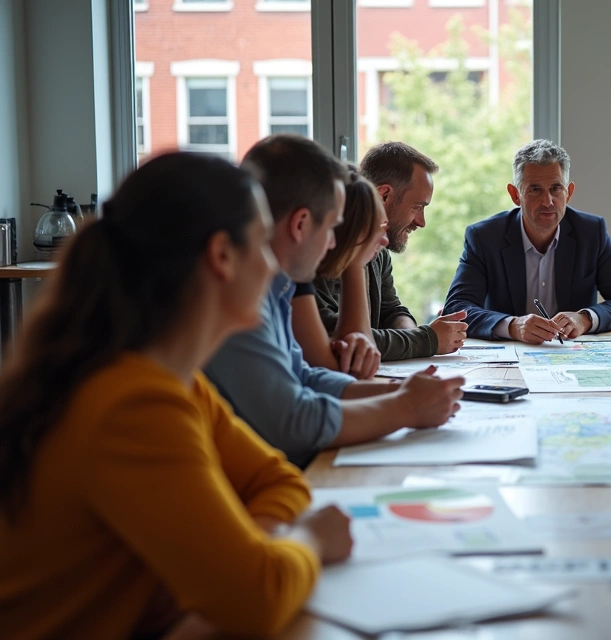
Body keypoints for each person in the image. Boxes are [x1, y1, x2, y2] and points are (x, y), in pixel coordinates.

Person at [0, 153, 353, 638]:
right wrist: (309, 538)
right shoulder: (134, 403)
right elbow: (257, 598)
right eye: (260, 243)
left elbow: (277, 478)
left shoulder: (175, 381)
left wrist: (248, 552)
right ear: (221, 257)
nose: (272, 264)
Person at [205, 134, 464, 469]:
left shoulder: (278, 288)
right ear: (300, 225)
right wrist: (407, 408)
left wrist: (398, 392)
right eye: (331, 228)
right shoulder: (239, 299)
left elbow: (305, 376)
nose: (332, 246)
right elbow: (293, 421)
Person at [445, 139, 611, 344]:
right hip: (509, 362)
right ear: (515, 195)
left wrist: (585, 318)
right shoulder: (484, 237)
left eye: (556, 188)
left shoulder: (591, 233)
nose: (547, 201)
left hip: (572, 360)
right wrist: (513, 326)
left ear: (569, 193)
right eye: (534, 189)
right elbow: (457, 308)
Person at [311, 142, 467, 360]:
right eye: (418, 207)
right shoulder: (313, 258)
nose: (422, 222)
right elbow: (346, 342)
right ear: (384, 195)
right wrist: (427, 340)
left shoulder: (379, 250)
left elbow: (391, 312)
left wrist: (414, 339)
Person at [293, 164, 387, 379]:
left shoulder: (298, 278)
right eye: (373, 230)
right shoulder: (294, 277)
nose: (384, 240)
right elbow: (340, 370)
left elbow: (360, 359)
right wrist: (354, 262)